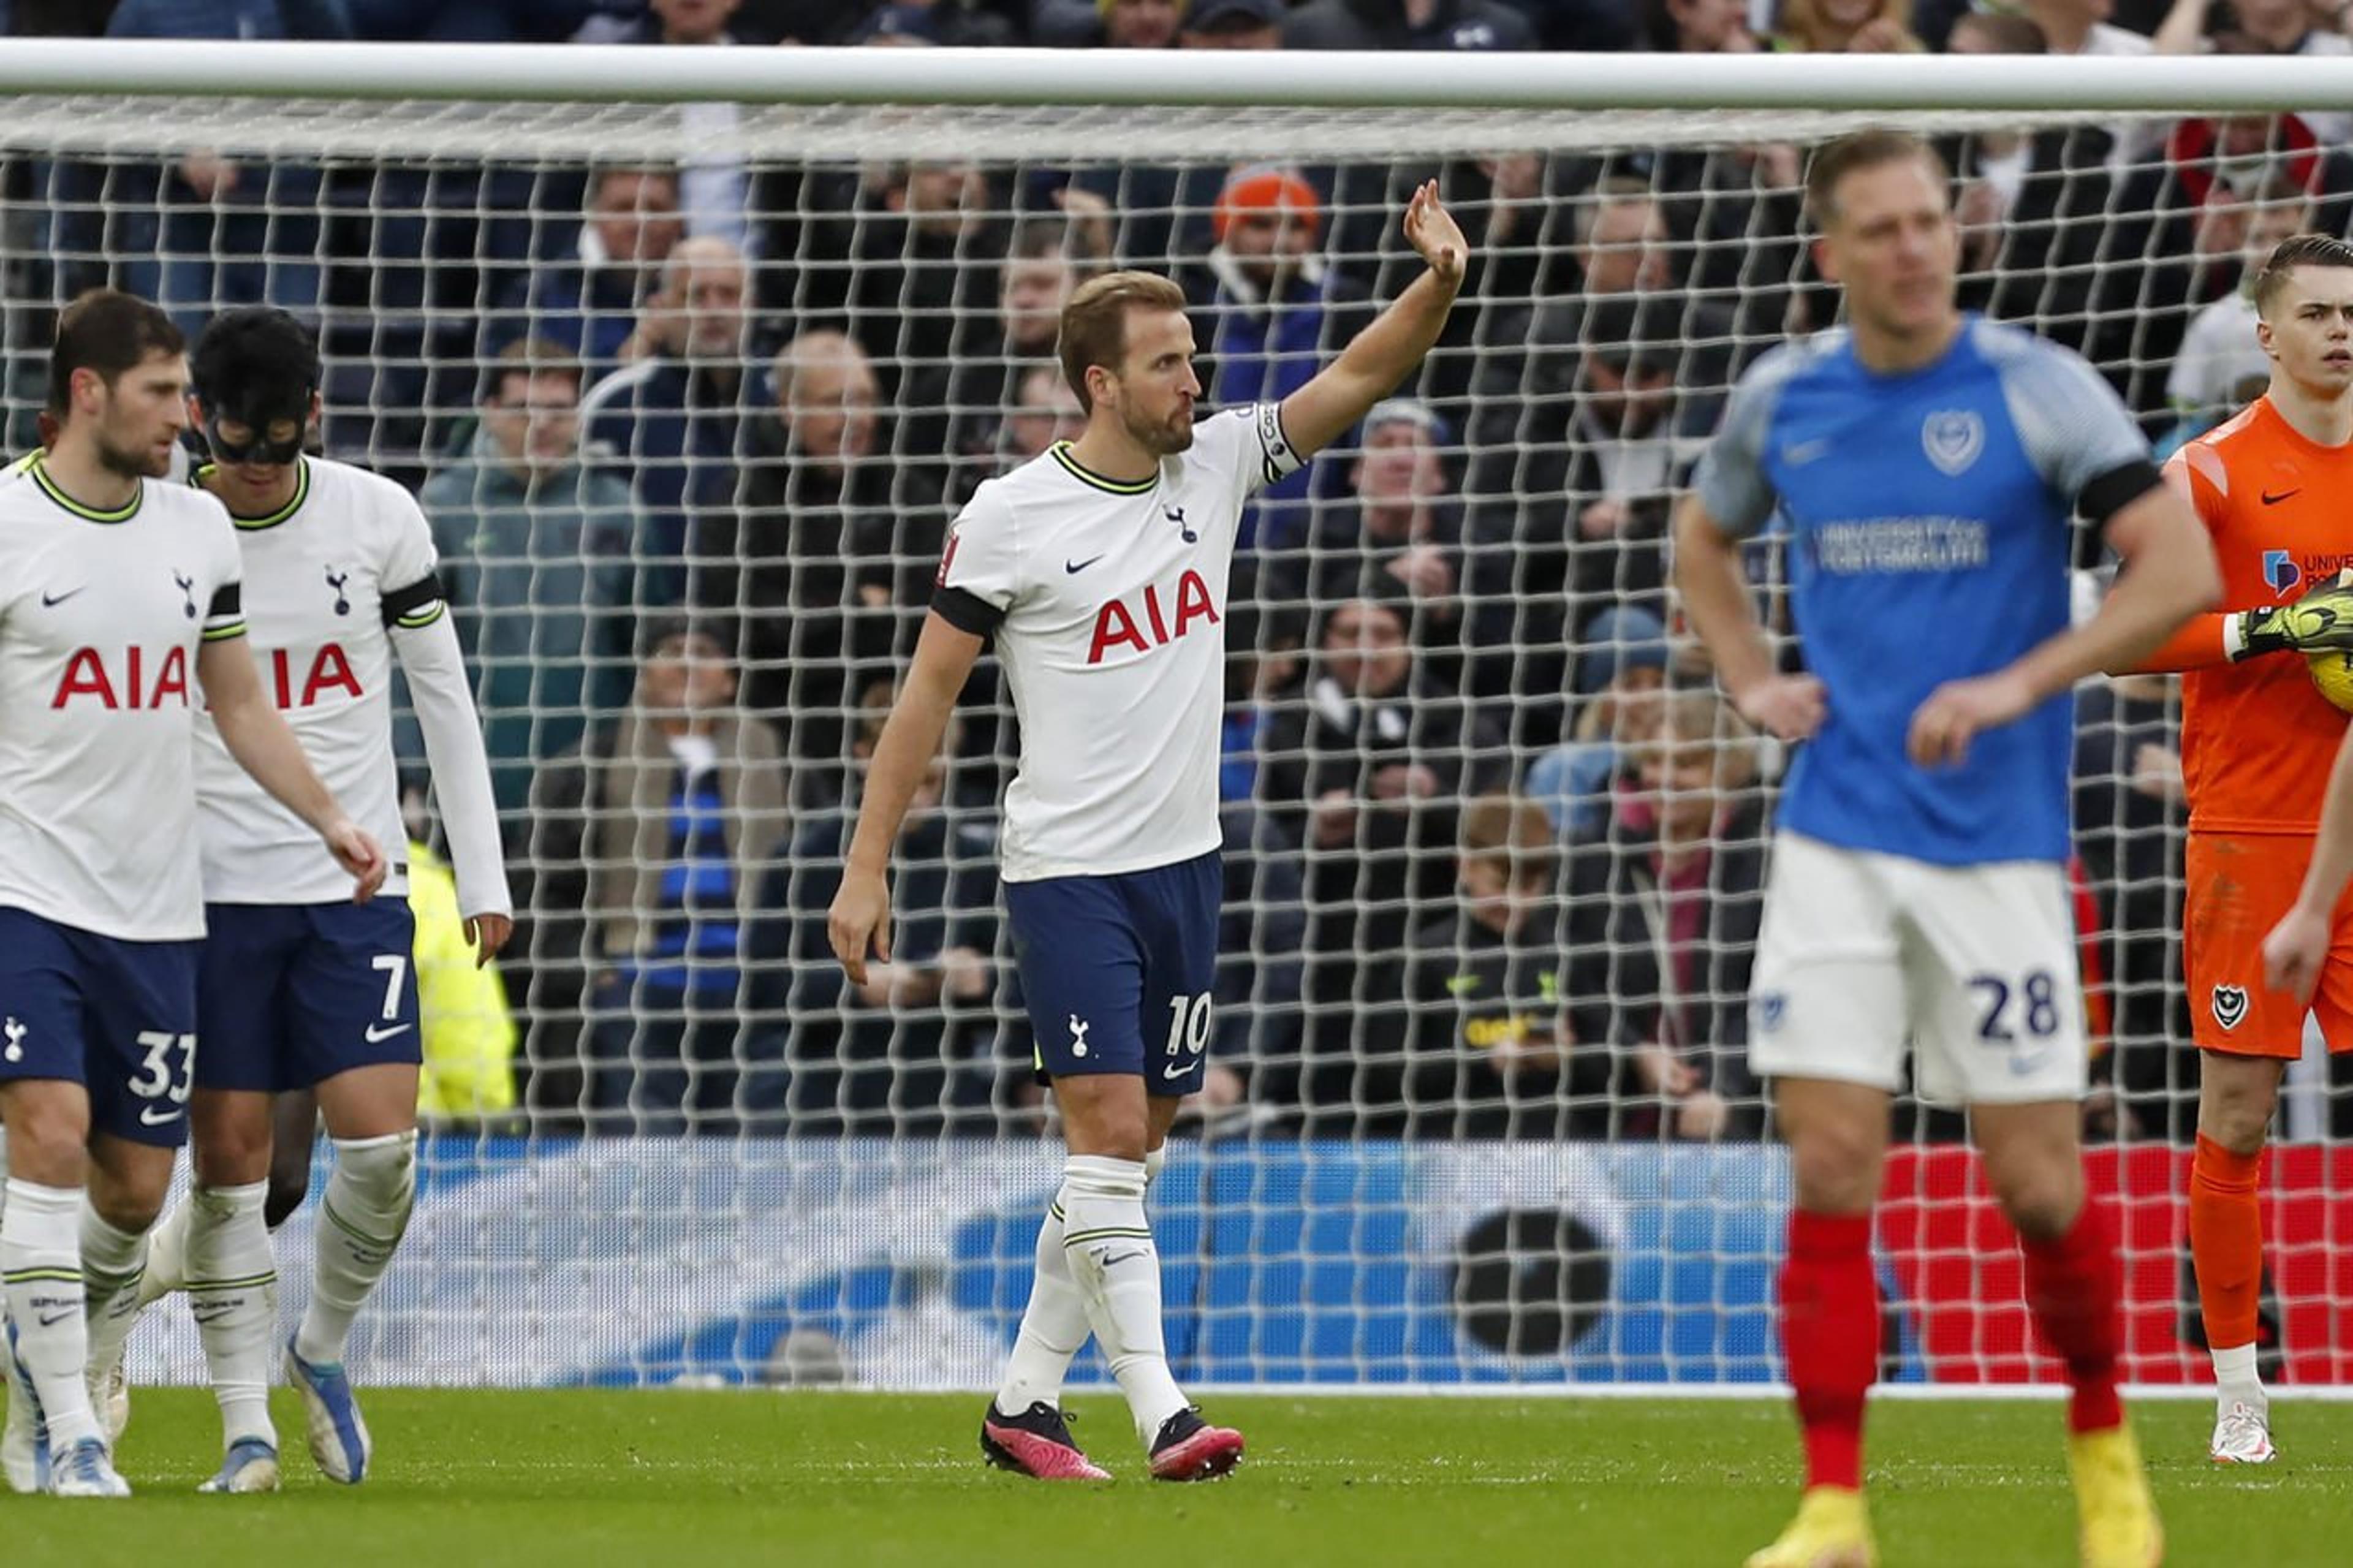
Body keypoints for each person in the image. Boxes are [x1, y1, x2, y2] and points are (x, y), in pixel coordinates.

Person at [828, 184, 1466, 1482]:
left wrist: (1442, 284)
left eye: (1193, 357)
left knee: (1137, 1140)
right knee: (1109, 1130)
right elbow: (927, 694)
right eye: (1170, 362)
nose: (1197, 378)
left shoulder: (1219, 464)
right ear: (1100, 383)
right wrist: (865, 861)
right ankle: (1164, 1409)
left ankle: (1021, 1402)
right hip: (1068, 872)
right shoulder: (1011, 514)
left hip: (1188, 866)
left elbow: (1354, 373)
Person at [1672, 131, 2217, 1567]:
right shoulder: (1784, 398)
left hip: (2001, 849)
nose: (1917, 247)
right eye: (1885, 228)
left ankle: (2108, 1463)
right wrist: (1747, 678)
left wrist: (2022, 682)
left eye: (1933, 220)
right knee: (1833, 1163)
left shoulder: (2038, 385)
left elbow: (2181, 570)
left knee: (2040, 1186)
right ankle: (1834, 1507)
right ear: (1830, 251)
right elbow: (1703, 540)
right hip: (1837, 835)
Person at [105, 308, 509, 1493]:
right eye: (237, 447)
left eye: (279, 449)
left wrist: (481, 879)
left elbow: (444, 698)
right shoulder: (156, 531)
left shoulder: (378, 517)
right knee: (251, 1179)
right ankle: (235, 1428)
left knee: (378, 1158)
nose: (257, 468)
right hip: (211, 894)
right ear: (196, 423)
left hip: (353, 888)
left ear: (313, 422)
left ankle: (318, 1349)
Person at [0, 290, 385, 1499]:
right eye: (166, 396)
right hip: (28, 891)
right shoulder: (7, 522)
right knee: (48, 1137)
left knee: (135, 1186)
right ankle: (68, 1431)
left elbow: (238, 702)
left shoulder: (194, 535)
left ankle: (40, 1375)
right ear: (88, 394)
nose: (190, 421)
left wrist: (329, 815)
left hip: (163, 909)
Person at [2136, 233, 2353, 1465]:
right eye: (2316, 312)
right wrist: (2276, 623)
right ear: (2264, 335)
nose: (2341, 330)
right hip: (2251, 835)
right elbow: (2125, 633)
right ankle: (2239, 1395)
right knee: (2240, 1112)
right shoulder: (2211, 473)